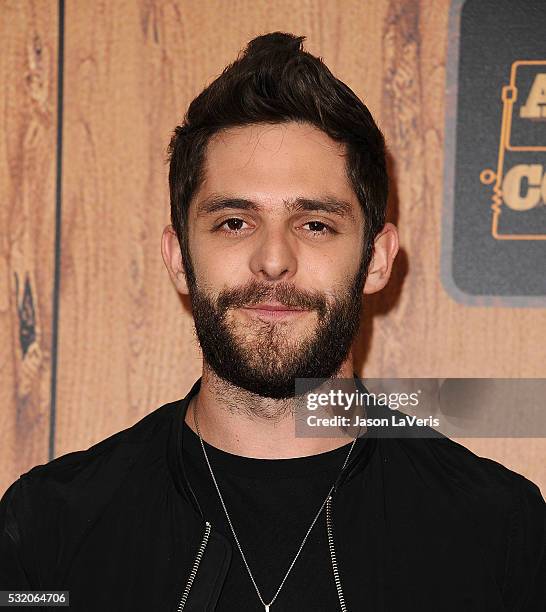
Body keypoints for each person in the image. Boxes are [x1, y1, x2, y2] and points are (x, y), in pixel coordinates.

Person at [1, 31, 544, 612]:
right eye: (234, 222)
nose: (273, 259)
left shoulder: (497, 532)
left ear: (378, 260)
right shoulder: (48, 528)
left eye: (315, 224)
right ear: (180, 258)